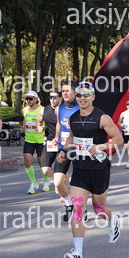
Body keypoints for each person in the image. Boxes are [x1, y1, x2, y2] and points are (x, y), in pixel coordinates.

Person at [60, 82, 123, 258]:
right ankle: (78, 252)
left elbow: (118, 139)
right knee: (77, 209)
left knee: (99, 209)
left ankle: (112, 218)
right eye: (79, 95)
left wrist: (101, 146)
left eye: (86, 95)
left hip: (99, 169)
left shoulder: (102, 118)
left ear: (93, 97)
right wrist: (64, 150)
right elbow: (72, 137)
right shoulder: (73, 118)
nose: (82, 98)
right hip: (80, 169)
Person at [53, 80, 81, 221]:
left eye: (67, 91)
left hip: (78, 149)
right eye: (63, 91)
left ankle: (81, 210)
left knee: (78, 184)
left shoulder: (81, 107)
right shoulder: (60, 108)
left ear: (75, 92)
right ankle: (69, 204)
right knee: (58, 183)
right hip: (63, 148)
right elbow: (59, 123)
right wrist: (56, 136)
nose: (64, 93)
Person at [21, 91, 47, 194]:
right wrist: (23, 128)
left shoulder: (42, 110)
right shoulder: (24, 110)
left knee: (41, 163)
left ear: (36, 99)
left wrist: (43, 128)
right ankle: (33, 183)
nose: (28, 101)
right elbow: (25, 119)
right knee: (27, 161)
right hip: (29, 139)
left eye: (30, 99)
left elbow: (49, 122)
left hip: (40, 140)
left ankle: (46, 181)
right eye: (27, 99)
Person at [40, 90, 62, 193]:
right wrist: (39, 127)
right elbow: (39, 120)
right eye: (50, 97)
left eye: (55, 97)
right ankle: (63, 178)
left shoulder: (65, 110)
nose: (52, 99)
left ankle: (62, 185)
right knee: (45, 169)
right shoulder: (44, 110)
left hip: (63, 143)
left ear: (60, 98)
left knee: (60, 169)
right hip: (50, 142)